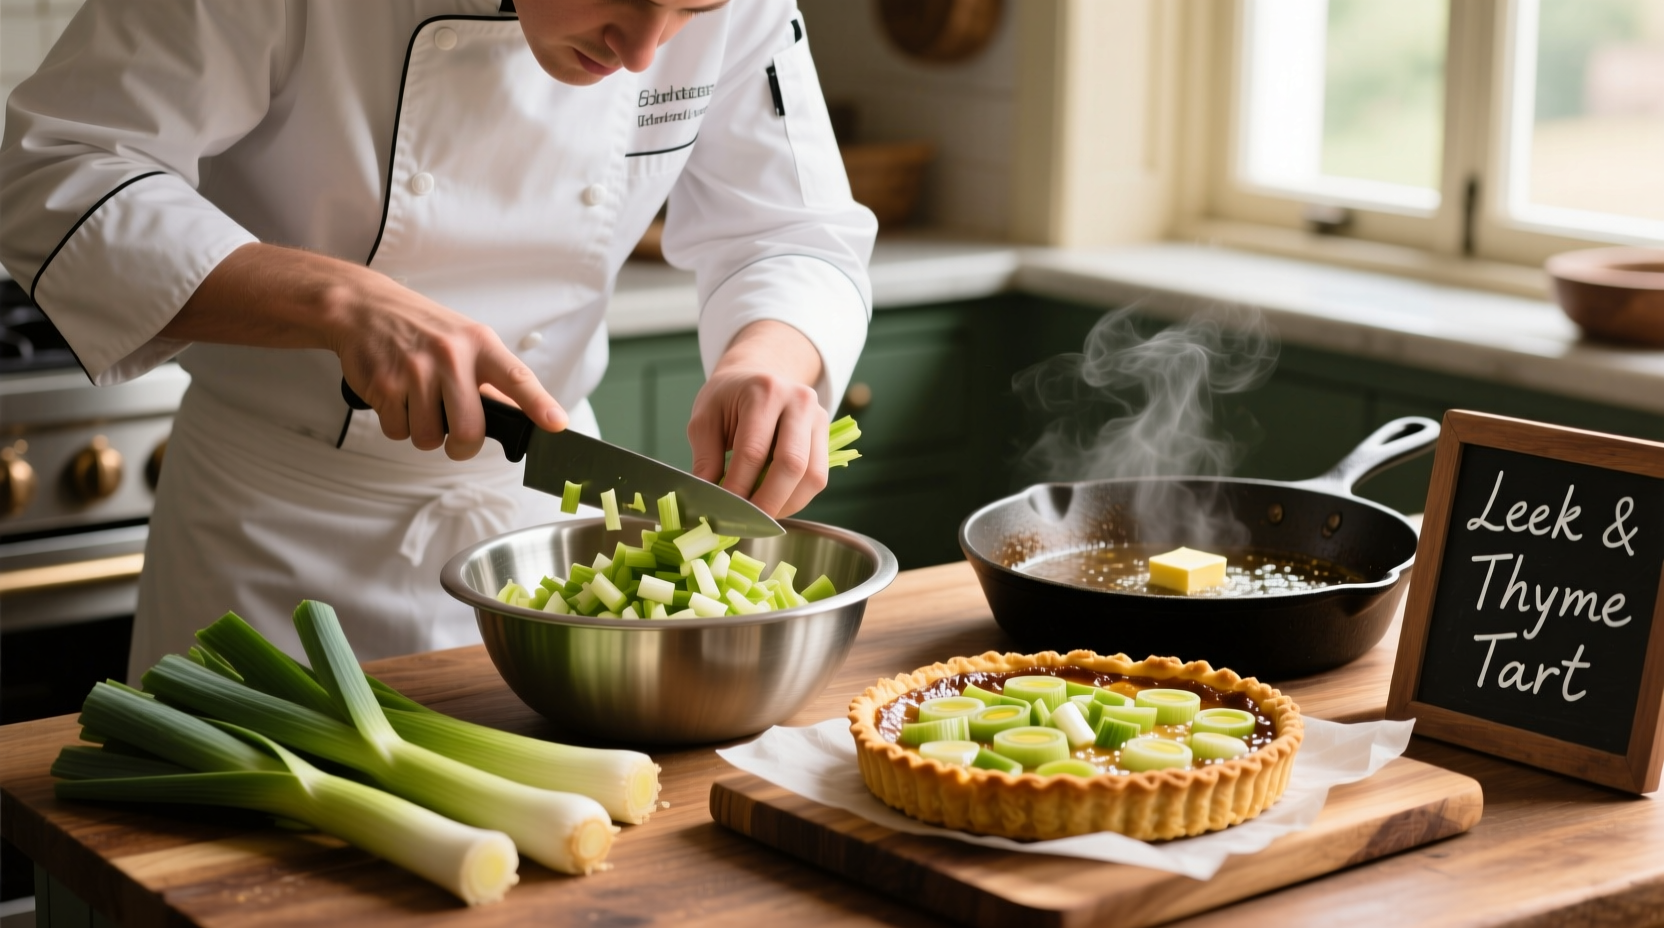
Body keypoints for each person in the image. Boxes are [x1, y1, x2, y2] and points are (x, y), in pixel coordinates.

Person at [0, 0, 876, 679]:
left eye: (693, 14)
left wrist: (768, 359)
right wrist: (341, 301)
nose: (646, 51)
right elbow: (56, 172)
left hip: (541, 558)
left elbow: (793, 231)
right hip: (274, 552)